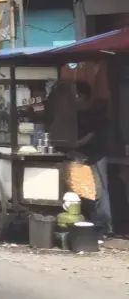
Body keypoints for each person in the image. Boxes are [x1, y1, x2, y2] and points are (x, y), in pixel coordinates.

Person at [74, 81, 112, 237]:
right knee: (84, 190)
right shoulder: (76, 113)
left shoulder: (94, 113)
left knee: (100, 191)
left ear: (80, 96)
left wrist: (74, 144)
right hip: (82, 156)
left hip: (96, 156)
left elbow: (91, 136)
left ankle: (105, 226)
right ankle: (90, 222)